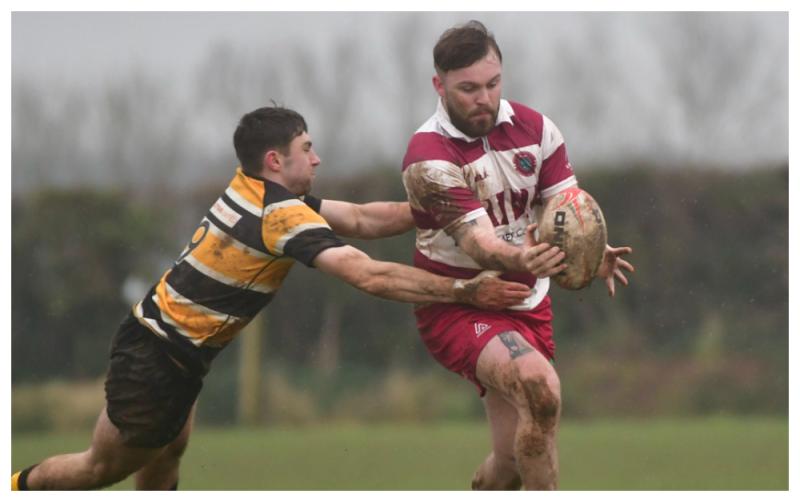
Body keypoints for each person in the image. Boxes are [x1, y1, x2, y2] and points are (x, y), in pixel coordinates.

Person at [11, 105, 536, 491]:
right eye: (307, 149)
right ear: (274, 159)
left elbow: (359, 217)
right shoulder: (277, 216)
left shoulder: (254, 187)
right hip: (157, 357)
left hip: (171, 347)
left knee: (167, 458)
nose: (318, 157)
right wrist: (464, 289)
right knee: (98, 470)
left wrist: (447, 206)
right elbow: (368, 275)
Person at [401, 21, 635, 490]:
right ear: (438, 85)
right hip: (460, 302)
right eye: (467, 89)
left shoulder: (536, 129)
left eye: (492, 84)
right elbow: (478, 244)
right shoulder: (427, 158)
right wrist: (523, 258)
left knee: (509, 463)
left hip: (528, 303)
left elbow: (565, 211)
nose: (483, 98)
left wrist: (591, 249)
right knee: (539, 386)